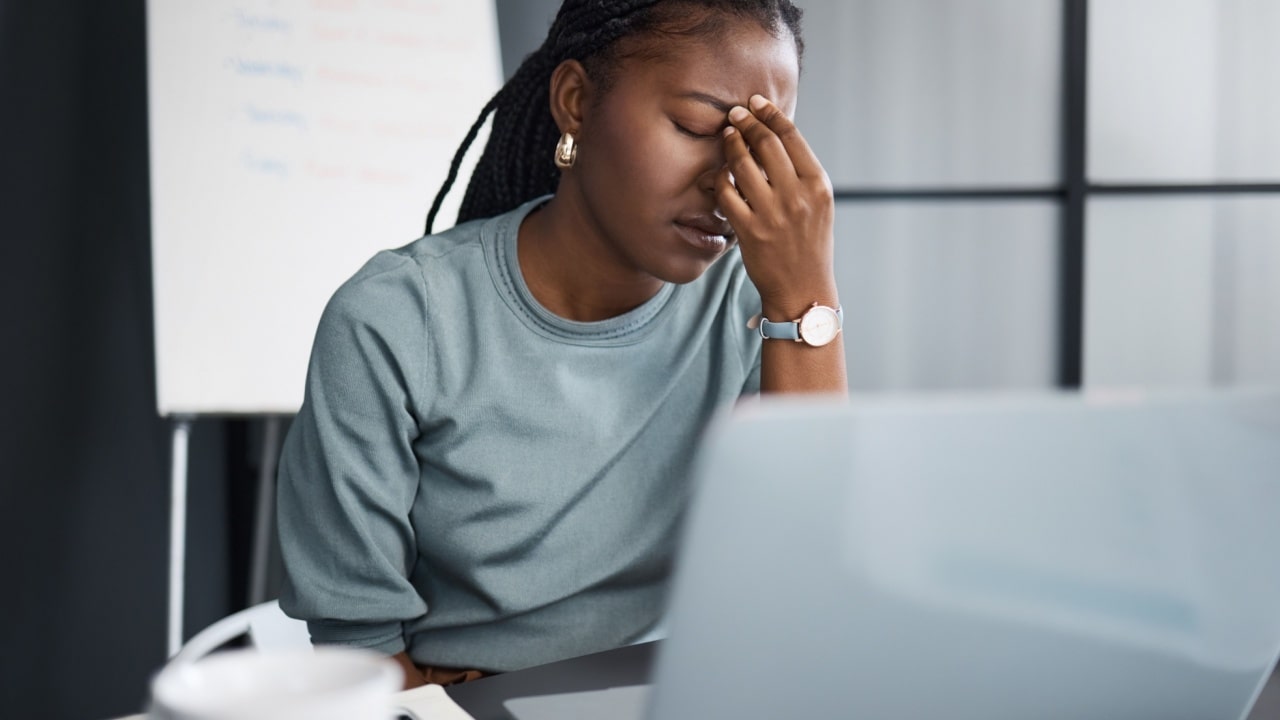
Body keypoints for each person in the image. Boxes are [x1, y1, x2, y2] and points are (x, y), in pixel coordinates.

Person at [276, 0, 847, 690]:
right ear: (576, 101)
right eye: (698, 127)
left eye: (759, 147)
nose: (727, 181)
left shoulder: (761, 304)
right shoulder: (397, 320)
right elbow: (358, 644)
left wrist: (806, 297)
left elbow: (812, 586)